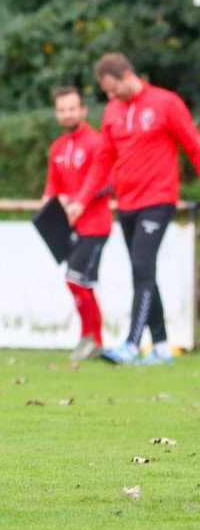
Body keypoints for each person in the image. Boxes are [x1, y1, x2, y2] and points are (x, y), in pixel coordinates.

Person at [68, 52, 200, 366]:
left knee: (141, 268)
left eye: (113, 89)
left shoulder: (166, 104)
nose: (110, 97)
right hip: (126, 203)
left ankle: (131, 343)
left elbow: (193, 145)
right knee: (145, 273)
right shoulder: (113, 112)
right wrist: (81, 201)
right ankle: (163, 348)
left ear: (128, 75)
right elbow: (103, 161)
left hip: (157, 200)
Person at [42, 86, 112, 362]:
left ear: (83, 110)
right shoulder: (57, 147)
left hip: (95, 226)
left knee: (75, 278)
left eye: (72, 108)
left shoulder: (96, 143)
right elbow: (53, 184)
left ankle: (92, 338)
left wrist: (79, 202)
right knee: (81, 283)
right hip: (70, 227)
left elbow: (107, 183)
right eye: (62, 110)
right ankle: (92, 339)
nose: (67, 114)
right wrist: (47, 204)